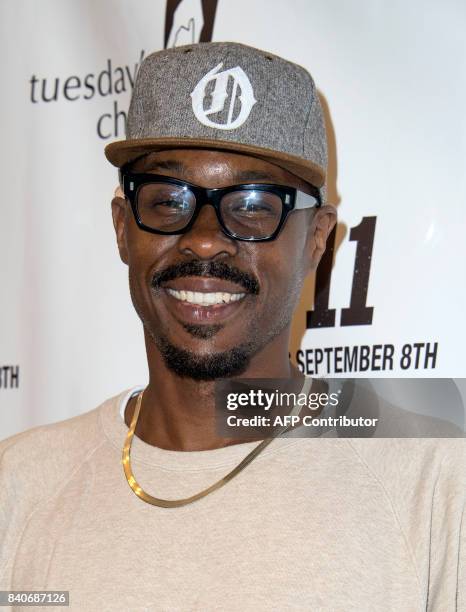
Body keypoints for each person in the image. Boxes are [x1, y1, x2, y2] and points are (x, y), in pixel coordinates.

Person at [0, 42, 464, 611]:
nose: (203, 238)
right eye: (168, 199)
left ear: (317, 238)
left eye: (252, 203)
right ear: (123, 228)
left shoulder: (437, 480)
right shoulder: (18, 483)